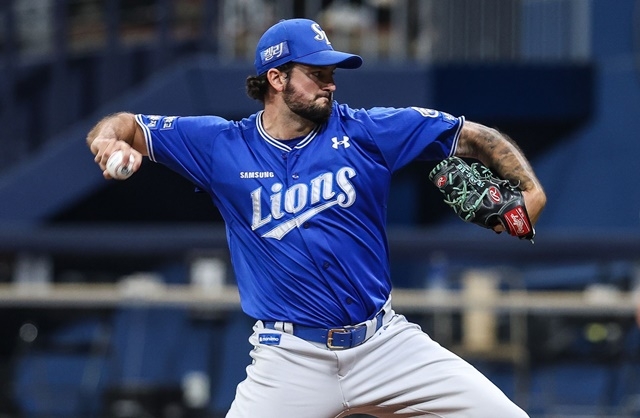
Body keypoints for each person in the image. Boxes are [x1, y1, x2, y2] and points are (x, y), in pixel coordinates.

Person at [87, 18, 546, 418]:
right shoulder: (220, 146)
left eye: (332, 73)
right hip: (290, 358)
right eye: (316, 73)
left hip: (383, 345)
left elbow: (474, 136)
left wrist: (530, 192)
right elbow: (126, 124)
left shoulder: (367, 131)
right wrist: (109, 141)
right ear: (276, 78)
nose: (330, 84)